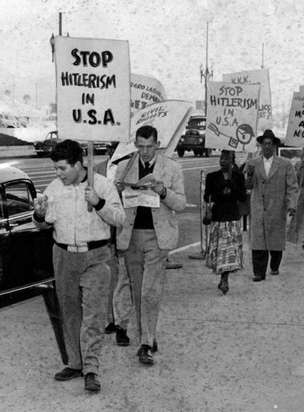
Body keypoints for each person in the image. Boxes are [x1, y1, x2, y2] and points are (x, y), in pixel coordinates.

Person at [33, 139, 126, 392]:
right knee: (70, 312)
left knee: (94, 315)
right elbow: (43, 223)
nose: (57, 174)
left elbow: (119, 218)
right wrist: (39, 213)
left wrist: (98, 202)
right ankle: (75, 362)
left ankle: (91, 369)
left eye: (62, 168)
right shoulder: (55, 187)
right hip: (63, 256)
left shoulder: (103, 185)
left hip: (96, 256)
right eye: (55, 169)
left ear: (77, 165)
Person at [115, 125, 186, 365]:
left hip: (158, 238)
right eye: (140, 146)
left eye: (149, 146)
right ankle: (148, 335)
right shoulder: (124, 169)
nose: (144, 151)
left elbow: (181, 204)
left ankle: (146, 343)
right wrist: (117, 191)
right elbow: (115, 204)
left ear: (158, 144)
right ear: (135, 144)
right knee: (137, 291)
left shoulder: (172, 168)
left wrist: (164, 192)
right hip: (132, 236)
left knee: (149, 291)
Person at [245, 129, 298, 282]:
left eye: (270, 144)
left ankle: (274, 266)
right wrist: (248, 174)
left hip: (277, 207)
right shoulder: (253, 163)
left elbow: (292, 187)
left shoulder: (285, 165)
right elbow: (247, 186)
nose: (267, 146)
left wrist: (291, 205)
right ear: (261, 145)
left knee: (275, 241)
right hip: (258, 208)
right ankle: (259, 273)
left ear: (275, 146)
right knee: (259, 241)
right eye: (264, 144)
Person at [95, 142, 133, 346]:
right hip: (104, 232)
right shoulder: (97, 169)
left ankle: (121, 323)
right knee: (107, 278)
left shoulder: (131, 168)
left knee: (123, 279)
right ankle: (110, 318)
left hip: (124, 230)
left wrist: (122, 192)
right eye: (114, 148)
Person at [204, 150, 247, 293]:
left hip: (232, 219)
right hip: (218, 218)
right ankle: (222, 278)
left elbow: (242, 198)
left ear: (232, 161)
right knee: (220, 252)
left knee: (228, 253)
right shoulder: (212, 177)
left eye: (227, 159)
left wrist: (232, 185)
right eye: (221, 158)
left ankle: (224, 279)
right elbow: (207, 197)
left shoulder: (238, 177)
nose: (223, 161)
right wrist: (221, 193)